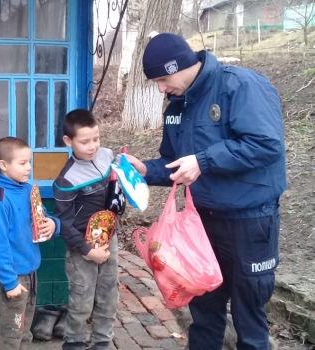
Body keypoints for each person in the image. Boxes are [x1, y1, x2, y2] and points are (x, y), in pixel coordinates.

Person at [125, 33, 287, 350]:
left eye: (163, 78)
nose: (160, 89)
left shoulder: (239, 86)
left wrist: (204, 161)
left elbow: (266, 145)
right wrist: (143, 170)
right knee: (203, 308)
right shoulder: (177, 105)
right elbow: (174, 163)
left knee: (249, 315)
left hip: (250, 221)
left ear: (182, 65)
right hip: (201, 225)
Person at [53, 109, 126, 350]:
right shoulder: (66, 180)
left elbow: (122, 180)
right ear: (68, 141)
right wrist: (87, 250)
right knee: (82, 299)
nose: (92, 146)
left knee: (108, 294)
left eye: (96, 138)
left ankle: (102, 342)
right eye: (84, 141)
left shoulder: (106, 156)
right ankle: (74, 342)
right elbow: (63, 224)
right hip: (82, 247)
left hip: (108, 239)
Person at [0, 136, 60, 350]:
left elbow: (41, 218)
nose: (29, 168)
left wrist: (53, 224)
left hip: (29, 273)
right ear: (4, 165)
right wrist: (9, 282)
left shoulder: (28, 190)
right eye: (22, 163)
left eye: (29, 162)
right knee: (9, 334)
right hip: (10, 278)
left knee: (24, 331)